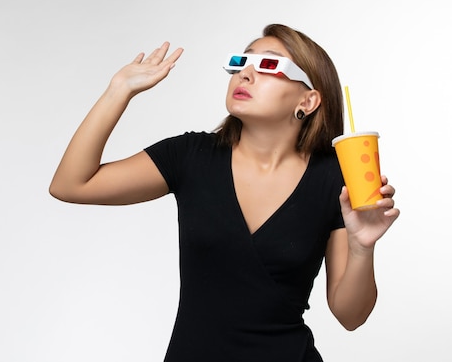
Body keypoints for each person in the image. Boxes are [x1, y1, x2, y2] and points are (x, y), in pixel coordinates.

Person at [49, 24, 400, 361]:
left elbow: (350, 316)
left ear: (308, 101)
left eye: (268, 65)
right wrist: (119, 90)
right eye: (240, 62)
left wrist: (361, 247)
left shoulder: (334, 179)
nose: (245, 74)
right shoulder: (190, 156)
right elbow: (70, 184)